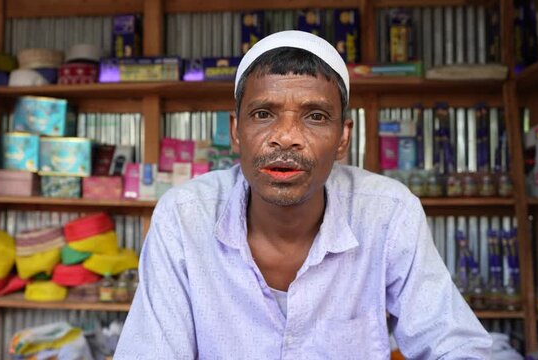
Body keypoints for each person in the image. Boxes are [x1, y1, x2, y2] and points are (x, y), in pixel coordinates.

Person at [115, 30, 492, 359]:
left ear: (343, 137)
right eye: (263, 114)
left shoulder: (388, 213)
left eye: (315, 116)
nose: (286, 136)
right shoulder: (184, 216)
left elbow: (455, 344)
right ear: (236, 131)